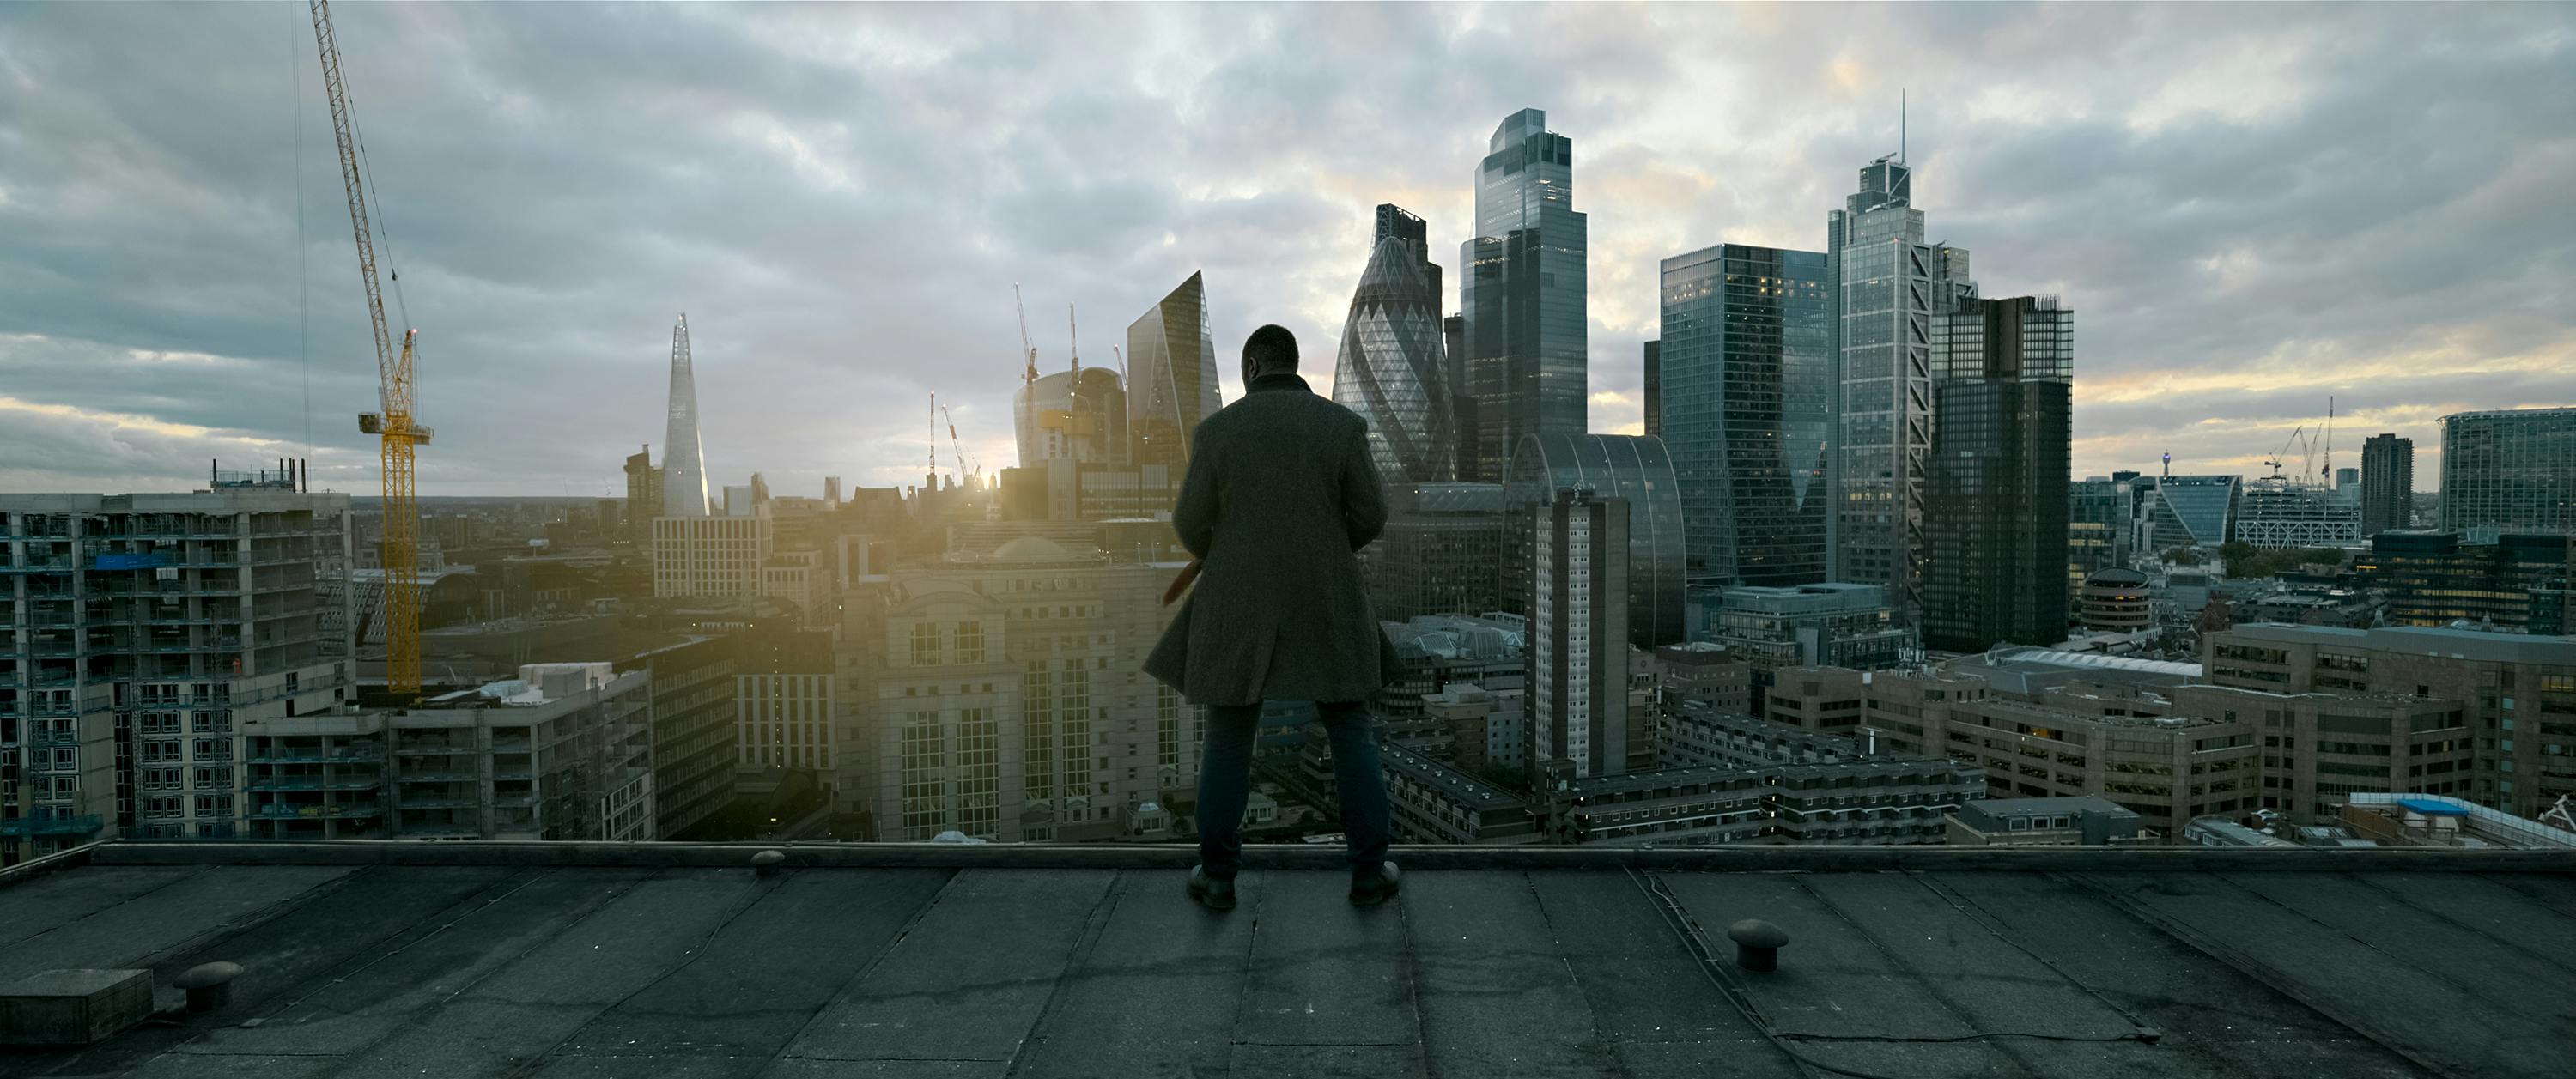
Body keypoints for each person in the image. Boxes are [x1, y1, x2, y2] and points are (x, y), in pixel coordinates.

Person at [1145, 324, 1398, 911]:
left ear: (1253, 368)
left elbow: (1187, 522)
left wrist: (1227, 548)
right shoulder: (1341, 426)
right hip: (1326, 597)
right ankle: (1367, 873)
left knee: (1229, 737)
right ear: (1293, 363)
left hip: (1238, 600)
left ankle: (1217, 878)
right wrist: (1329, 547)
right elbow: (1372, 513)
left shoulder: (1218, 432)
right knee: (1349, 730)